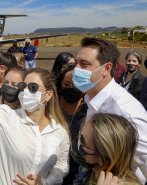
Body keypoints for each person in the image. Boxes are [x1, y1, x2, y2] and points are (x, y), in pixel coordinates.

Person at [72, 37, 147, 184]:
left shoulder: (127, 113)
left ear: (106, 69)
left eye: (84, 64)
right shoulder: (92, 97)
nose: (76, 69)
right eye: (76, 63)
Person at [72, 113, 142, 185]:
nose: (77, 141)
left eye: (82, 142)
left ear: (104, 159)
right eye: (80, 134)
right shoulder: (89, 169)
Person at [56, 63, 87, 185]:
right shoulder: (50, 108)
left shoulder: (90, 112)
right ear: (61, 84)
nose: (71, 88)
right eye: (67, 84)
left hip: (77, 176)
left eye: (77, 85)